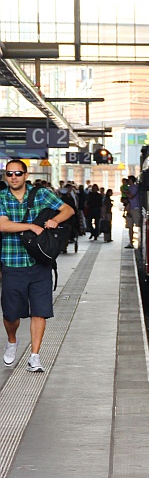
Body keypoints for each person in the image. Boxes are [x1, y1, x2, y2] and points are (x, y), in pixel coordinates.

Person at [0, 159, 75, 373]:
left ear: (26, 175)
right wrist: (31, 226)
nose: (13, 177)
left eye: (17, 173)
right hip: (12, 263)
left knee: (39, 311)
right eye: (9, 174)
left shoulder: (41, 194)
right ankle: (12, 340)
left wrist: (55, 220)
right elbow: (2, 224)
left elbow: (68, 210)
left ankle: (35, 356)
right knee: (11, 314)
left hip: (40, 262)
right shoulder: (2, 197)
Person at [125, 175, 141, 248]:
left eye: (129, 180)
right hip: (129, 208)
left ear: (131, 180)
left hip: (135, 208)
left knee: (138, 224)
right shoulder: (129, 188)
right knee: (130, 226)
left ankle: (140, 241)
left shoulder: (135, 188)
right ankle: (131, 242)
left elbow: (131, 196)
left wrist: (125, 193)